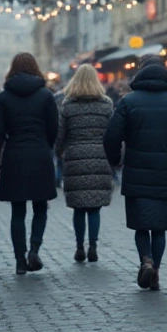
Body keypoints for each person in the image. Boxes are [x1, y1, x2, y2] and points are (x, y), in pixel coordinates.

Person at [105, 55, 167, 291]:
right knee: (159, 227)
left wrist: (115, 160)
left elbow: (112, 136)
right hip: (165, 173)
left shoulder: (128, 102)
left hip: (136, 171)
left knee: (140, 225)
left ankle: (145, 260)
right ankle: (155, 269)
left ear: (140, 73)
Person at [0, 53, 59, 275]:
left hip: (15, 156)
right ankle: (34, 249)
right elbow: (53, 128)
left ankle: (20, 259)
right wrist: (45, 146)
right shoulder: (46, 95)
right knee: (40, 207)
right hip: (39, 154)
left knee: (17, 212)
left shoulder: (4, 97)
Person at [55, 64, 115, 263]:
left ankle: (79, 246)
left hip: (75, 158)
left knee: (79, 207)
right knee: (95, 208)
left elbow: (60, 135)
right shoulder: (106, 104)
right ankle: (93, 246)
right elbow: (112, 134)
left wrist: (59, 153)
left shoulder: (68, 104)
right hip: (100, 157)